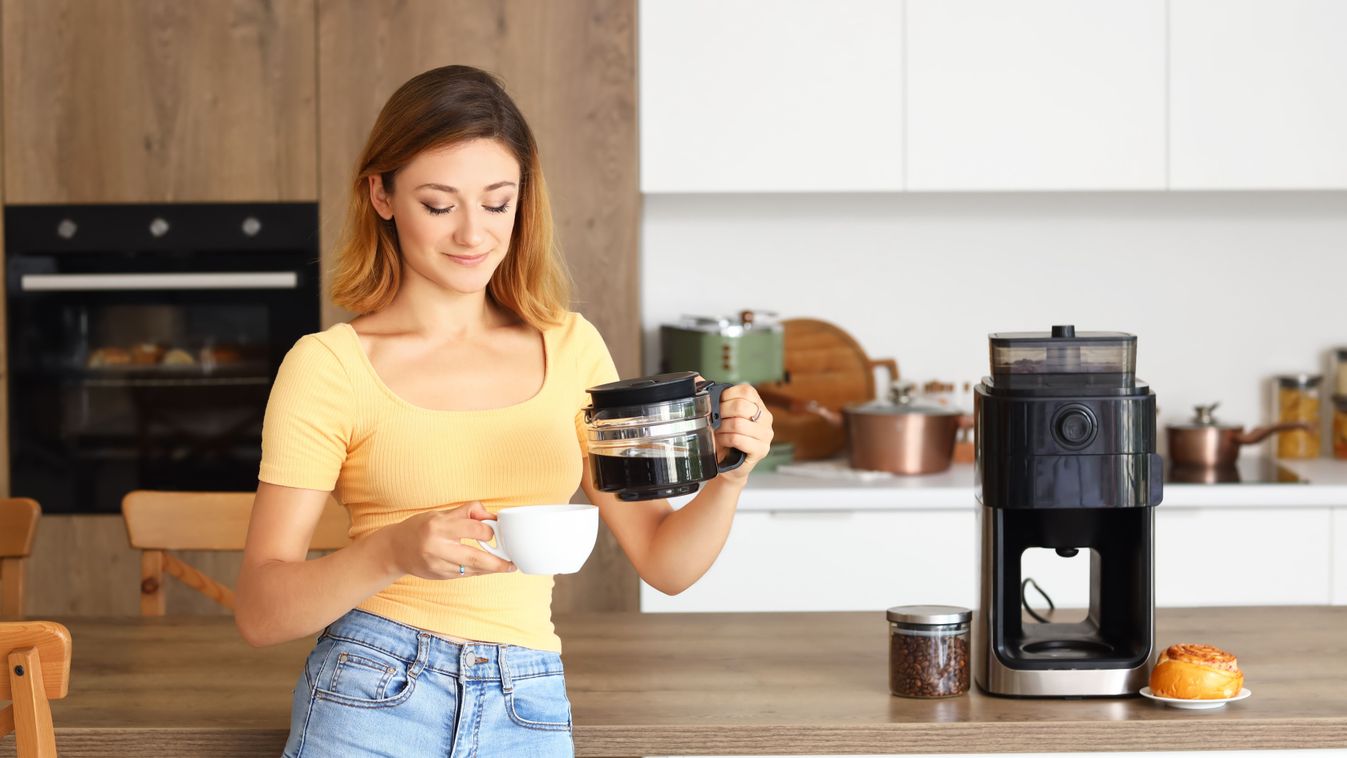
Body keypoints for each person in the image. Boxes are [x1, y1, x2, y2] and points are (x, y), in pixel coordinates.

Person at [234, 65, 774, 758]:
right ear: (382, 194)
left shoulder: (573, 349)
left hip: (528, 695)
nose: (472, 234)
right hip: (372, 688)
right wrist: (393, 549)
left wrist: (730, 476)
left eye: (497, 202)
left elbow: (664, 563)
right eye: (439, 204)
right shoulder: (330, 365)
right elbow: (260, 610)